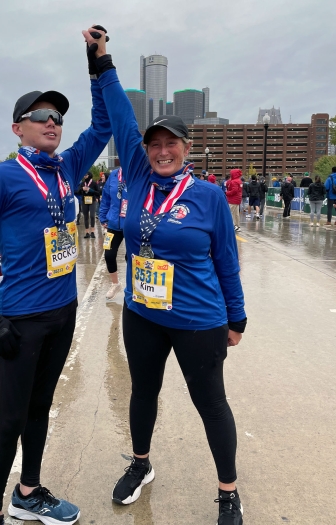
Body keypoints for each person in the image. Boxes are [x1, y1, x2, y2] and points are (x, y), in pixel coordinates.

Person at [87, 27, 246, 524]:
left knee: (211, 404)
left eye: (170, 144)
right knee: (142, 392)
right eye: (154, 143)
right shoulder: (135, 176)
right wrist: (101, 61)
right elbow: (118, 116)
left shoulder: (208, 197)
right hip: (143, 313)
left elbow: (226, 259)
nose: (160, 151)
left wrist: (236, 317)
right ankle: (141, 464)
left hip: (199, 318)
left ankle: (228, 493)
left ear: (186, 146)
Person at [0, 26, 112, 525]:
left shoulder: (66, 169)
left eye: (59, 117)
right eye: (42, 115)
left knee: (40, 409)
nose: (54, 123)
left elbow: (104, 122)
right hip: (17, 318)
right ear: (17, 128)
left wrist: (97, 65)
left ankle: (28, 492)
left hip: (61, 311)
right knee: (7, 420)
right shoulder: (5, 177)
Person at [99, 166, 128, 299]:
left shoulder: (139, 172)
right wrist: (103, 216)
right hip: (113, 223)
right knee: (109, 254)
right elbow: (106, 197)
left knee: (131, 257)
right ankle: (115, 284)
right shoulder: (114, 175)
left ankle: (133, 285)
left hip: (132, 224)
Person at [77, 172, 99, 238]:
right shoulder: (82, 183)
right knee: (85, 216)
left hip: (92, 201)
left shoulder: (94, 183)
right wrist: (82, 189)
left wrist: (91, 190)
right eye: (84, 175)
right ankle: (87, 232)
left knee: (92, 216)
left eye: (85, 175)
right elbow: (78, 192)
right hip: (84, 201)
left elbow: (98, 193)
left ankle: (92, 232)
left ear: (89, 175)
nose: (84, 176)